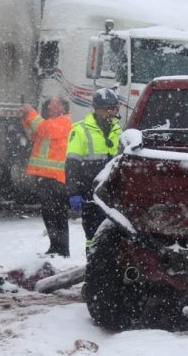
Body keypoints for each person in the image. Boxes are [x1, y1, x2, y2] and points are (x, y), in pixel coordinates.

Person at [65, 87, 122, 253]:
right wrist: (73, 192)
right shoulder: (80, 130)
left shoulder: (119, 131)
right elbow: (71, 166)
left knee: (114, 236)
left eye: (114, 108)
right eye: (108, 109)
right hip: (89, 194)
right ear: (97, 110)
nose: (112, 112)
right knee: (93, 236)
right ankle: (93, 266)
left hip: (111, 194)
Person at [20, 95, 73, 257]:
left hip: (56, 178)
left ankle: (62, 249)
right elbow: (33, 134)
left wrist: (31, 113)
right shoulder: (49, 123)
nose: (48, 107)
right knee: (49, 213)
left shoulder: (64, 122)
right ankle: (55, 247)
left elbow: (44, 129)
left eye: (52, 104)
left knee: (58, 214)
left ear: (62, 108)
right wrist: (25, 118)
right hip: (45, 176)